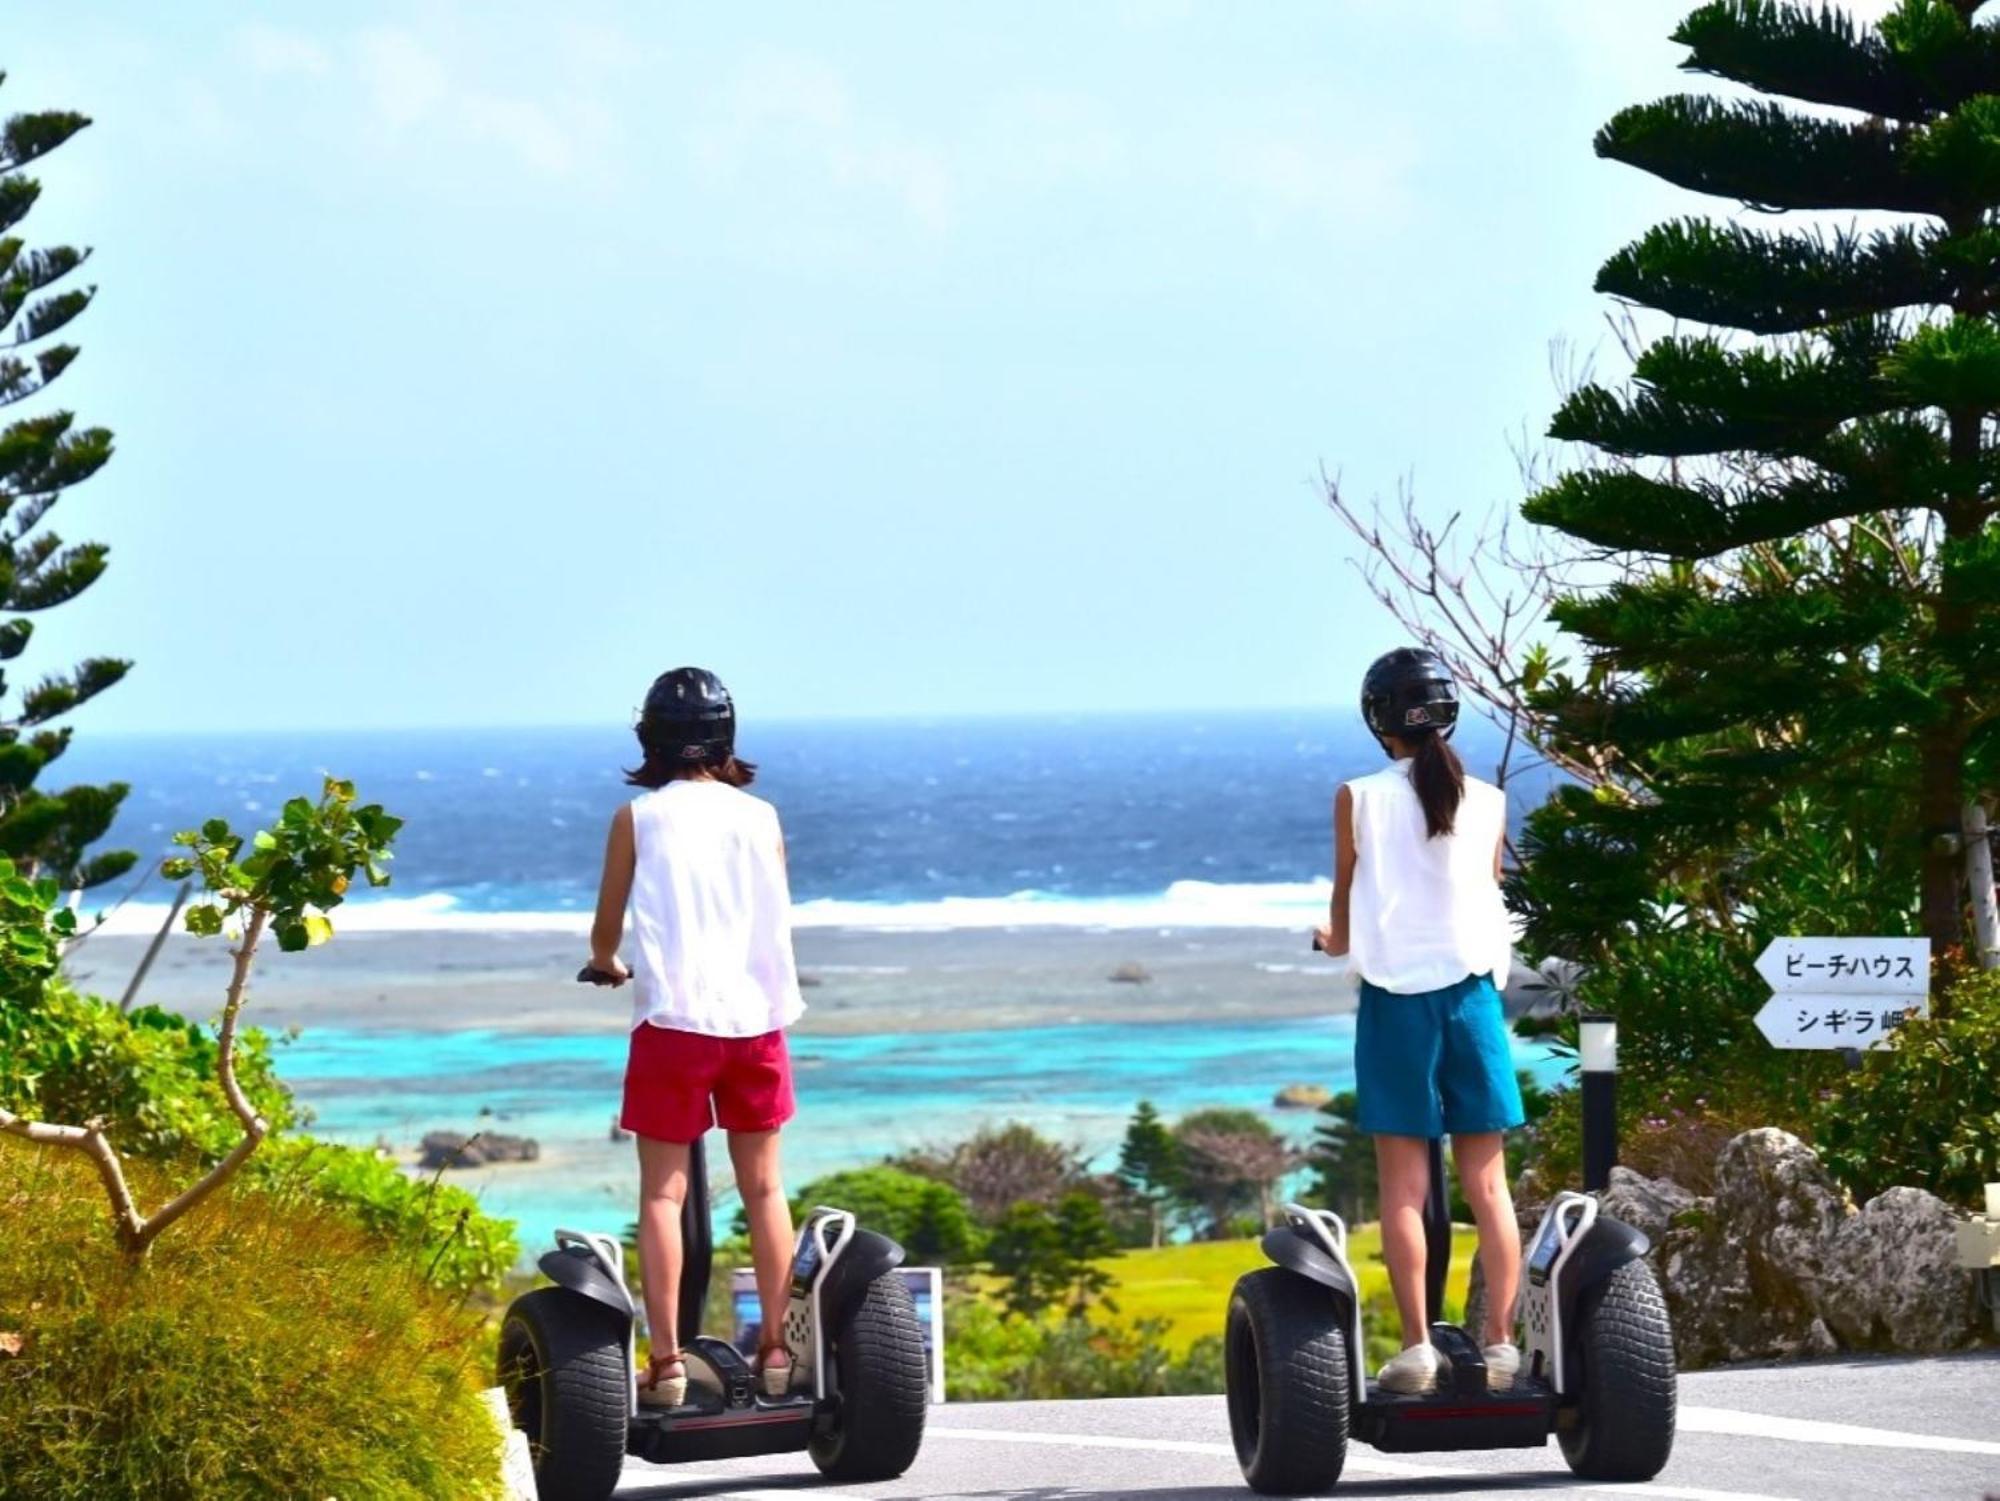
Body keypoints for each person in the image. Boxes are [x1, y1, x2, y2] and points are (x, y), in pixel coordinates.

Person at [587, 667, 806, 1408]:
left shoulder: (638, 818)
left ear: (651, 737)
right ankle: (777, 1349)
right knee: (765, 1187)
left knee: (661, 1194)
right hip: (757, 1024)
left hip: (675, 1025)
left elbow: (607, 925)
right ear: (726, 736)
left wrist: (607, 963)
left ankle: (669, 1359)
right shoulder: (763, 815)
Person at [1314, 647, 1523, 1395]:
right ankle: (1501, 1346)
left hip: (1396, 1004)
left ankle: (1416, 1348)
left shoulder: (1357, 795)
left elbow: (1347, 901)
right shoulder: (1490, 799)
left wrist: (1332, 939)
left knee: (1404, 1189)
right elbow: (1484, 893)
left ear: (1378, 719)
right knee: (1489, 1186)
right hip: (1472, 999)